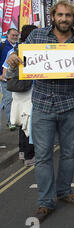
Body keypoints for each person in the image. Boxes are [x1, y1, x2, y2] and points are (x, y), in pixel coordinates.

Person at [7, 0, 74, 223]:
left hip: (69, 105)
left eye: (68, 15)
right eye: (60, 14)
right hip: (41, 105)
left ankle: (64, 191)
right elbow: (18, 59)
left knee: (69, 153)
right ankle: (45, 202)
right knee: (42, 157)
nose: (64, 19)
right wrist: (13, 60)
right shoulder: (36, 37)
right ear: (52, 16)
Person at [4, 25, 37, 167]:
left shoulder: (15, 50)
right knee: (28, 123)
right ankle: (29, 155)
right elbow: (6, 72)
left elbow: (6, 72)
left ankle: (23, 153)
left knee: (23, 123)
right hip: (27, 92)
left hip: (20, 93)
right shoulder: (23, 51)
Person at [0, 28, 19, 130]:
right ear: (7, 35)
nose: (15, 37)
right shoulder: (2, 46)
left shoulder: (19, 47)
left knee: (16, 100)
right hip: (4, 79)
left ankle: (16, 120)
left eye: (16, 35)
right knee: (8, 100)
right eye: (13, 35)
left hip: (17, 79)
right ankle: (10, 122)